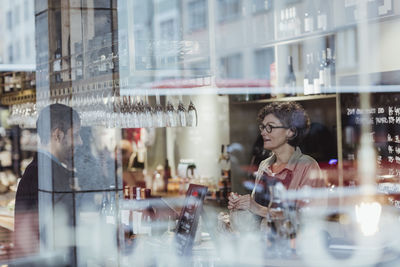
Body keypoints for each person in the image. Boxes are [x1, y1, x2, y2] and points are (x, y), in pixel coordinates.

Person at [228, 101, 326, 218]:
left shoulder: (307, 166)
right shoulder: (264, 166)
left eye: (270, 127)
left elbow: (307, 218)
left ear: (291, 131)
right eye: (263, 127)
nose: (263, 132)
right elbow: (256, 216)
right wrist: (241, 205)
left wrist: (257, 208)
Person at [13, 103, 82, 257]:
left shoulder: (42, 171)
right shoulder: (40, 175)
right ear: (57, 135)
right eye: (75, 135)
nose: (80, 142)